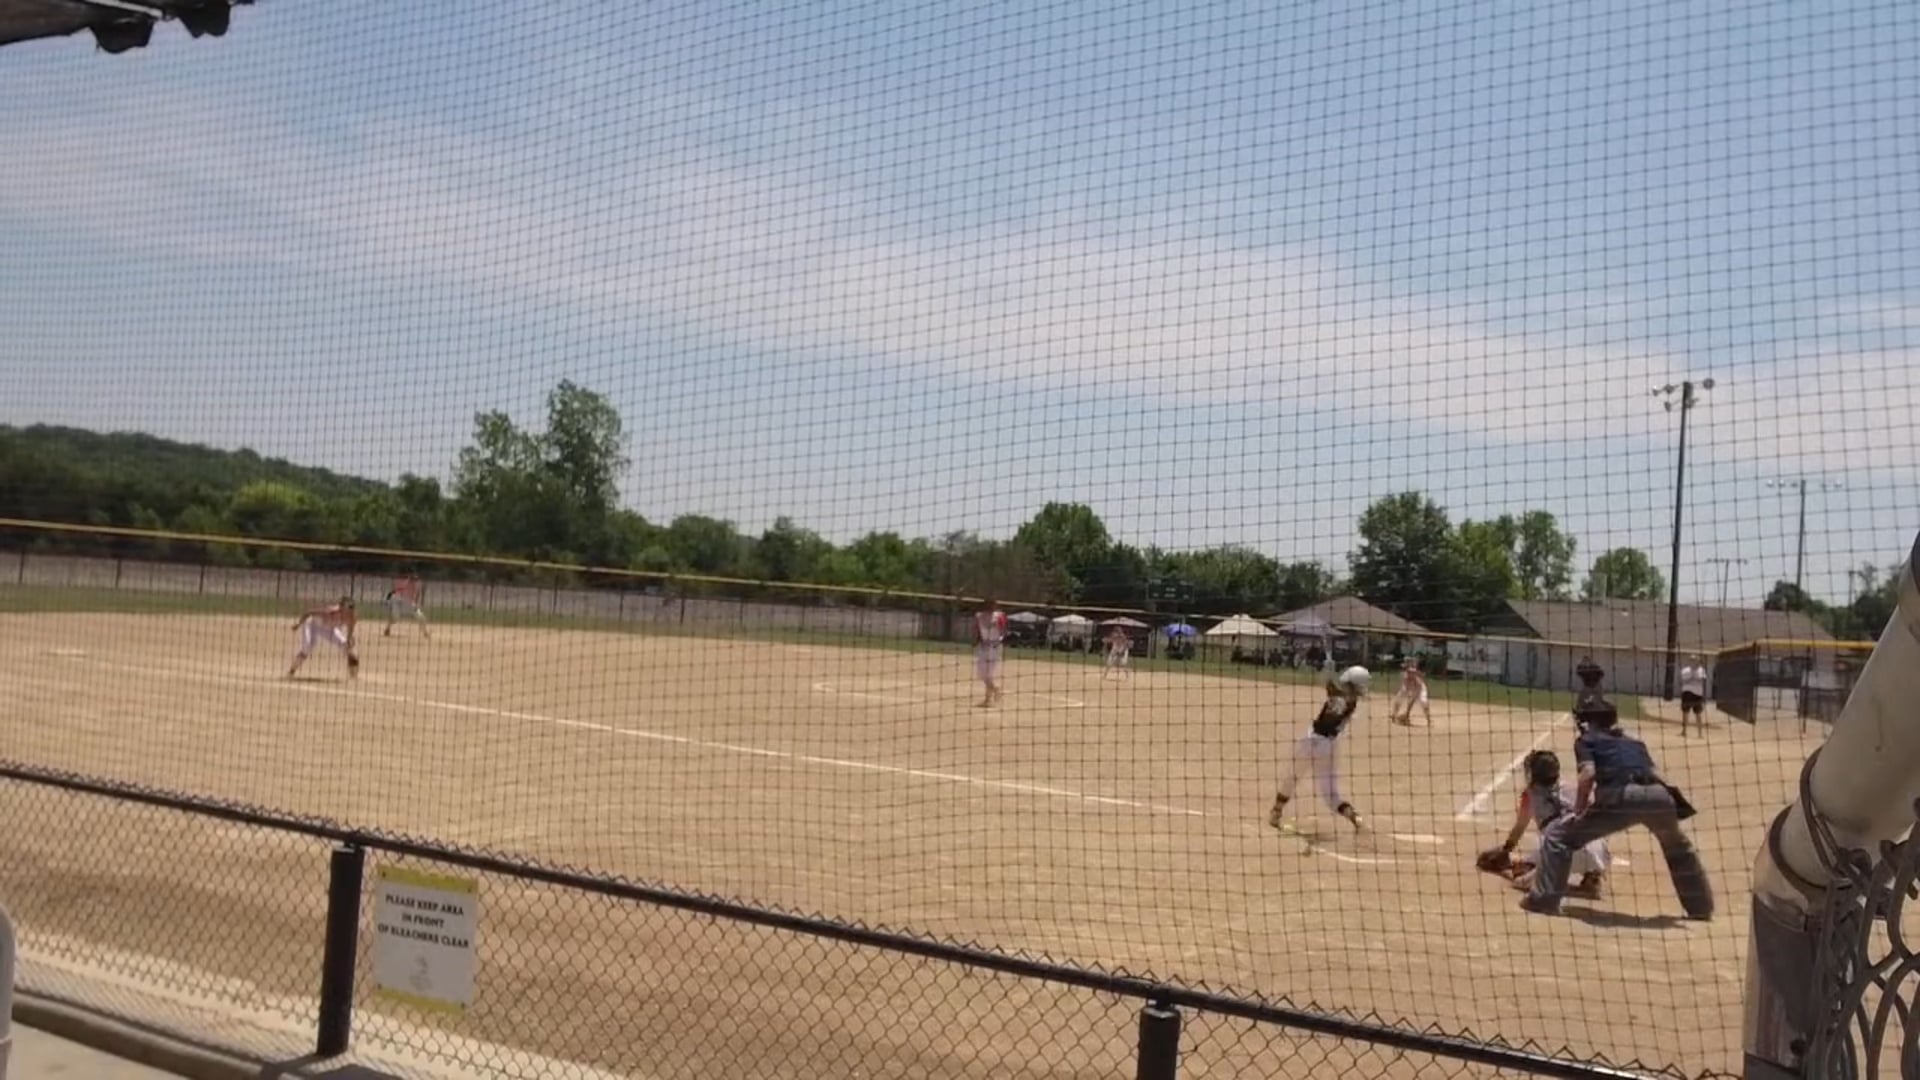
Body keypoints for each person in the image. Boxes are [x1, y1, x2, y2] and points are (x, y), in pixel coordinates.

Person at [1521, 697, 1714, 919]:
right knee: (1678, 847)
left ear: (1590, 722)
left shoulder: (1586, 740)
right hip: (1659, 796)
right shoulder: (1634, 742)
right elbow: (1654, 774)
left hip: (1622, 798)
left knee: (1558, 836)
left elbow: (1588, 774)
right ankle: (1701, 909)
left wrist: (1578, 811)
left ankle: (1543, 901)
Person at [1481, 750, 1611, 899]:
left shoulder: (1530, 794)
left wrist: (1505, 851)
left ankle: (1543, 878)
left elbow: (1519, 828)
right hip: (1599, 852)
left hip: (1562, 852)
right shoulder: (1572, 788)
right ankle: (1592, 876)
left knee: (1520, 881)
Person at [1268, 665, 1372, 835]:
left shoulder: (1340, 699)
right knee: (1331, 796)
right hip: (1330, 748)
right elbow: (1333, 690)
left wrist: (1327, 672)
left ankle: (1276, 813)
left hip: (1311, 743)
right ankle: (1354, 817)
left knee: (1291, 778)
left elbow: (1333, 700)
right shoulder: (1351, 701)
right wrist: (1328, 674)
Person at [289, 595, 360, 680]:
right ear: (341, 607)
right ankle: (292, 670)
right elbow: (309, 612)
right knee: (307, 646)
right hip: (311, 625)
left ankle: (353, 675)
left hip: (329, 629)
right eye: (349, 607)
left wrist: (349, 639)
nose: (351, 609)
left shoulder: (352, 617)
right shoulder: (330, 611)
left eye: (352, 607)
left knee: (347, 647)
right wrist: (298, 624)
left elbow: (350, 629)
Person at [973, 601, 1008, 707]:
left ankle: (988, 699)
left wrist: (1000, 641)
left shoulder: (999, 616)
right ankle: (995, 690)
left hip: (994, 647)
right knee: (982, 674)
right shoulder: (979, 616)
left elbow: (1003, 631)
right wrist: (976, 641)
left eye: (992, 605)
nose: (991, 607)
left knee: (989, 674)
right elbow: (978, 631)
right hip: (983, 647)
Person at [383, 572, 432, 640]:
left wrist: (416, 605)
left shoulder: (418, 585)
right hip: (398, 602)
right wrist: (387, 599)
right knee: (395, 618)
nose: (414, 579)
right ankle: (387, 628)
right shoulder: (404, 583)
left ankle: (425, 632)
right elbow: (393, 591)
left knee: (422, 617)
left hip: (409, 603)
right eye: (412, 578)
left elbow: (416, 596)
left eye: (415, 578)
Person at [1390, 659, 1430, 726]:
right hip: (1409, 687)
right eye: (1409, 671)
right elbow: (1405, 688)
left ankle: (1428, 719)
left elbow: (1412, 701)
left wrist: (1407, 713)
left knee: (1423, 702)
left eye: (1413, 672)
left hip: (1420, 690)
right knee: (1399, 697)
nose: (1410, 673)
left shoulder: (1418, 682)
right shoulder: (1405, 677)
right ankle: (1394, 714)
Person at [1678, 655, 1708, 736]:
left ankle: (1700, 733)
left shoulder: (1701, 670)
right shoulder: (1685, 670)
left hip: (1697, 694)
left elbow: (1701, 680)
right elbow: (1682, 681)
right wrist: (1693, 678)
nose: (1693, 661)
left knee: (1698, 713)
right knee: (1685, 712)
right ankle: (1684, 731)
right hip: (1687, 693)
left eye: (1695, 660)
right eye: (1692, 660)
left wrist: (1692, 678)